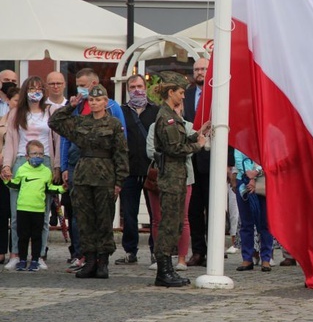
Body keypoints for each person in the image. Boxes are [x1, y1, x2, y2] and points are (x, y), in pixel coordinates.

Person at [48, 84, 129, 279]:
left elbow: (121, 154)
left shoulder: (114, 124)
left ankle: (103, 261)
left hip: (105, 176)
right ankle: (89, 260)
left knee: (103, 219)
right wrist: (71, 105)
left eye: (98, 100)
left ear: (106, 102)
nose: (94, 103)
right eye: (91, 100)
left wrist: (119, 181)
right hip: (83, 175)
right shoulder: (81, 122)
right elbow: (54, 122)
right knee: (84, 219)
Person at [152, 71, 208, 287]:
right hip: (171, 177)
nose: (184, 97)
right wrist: (198, 145)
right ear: (171, 92)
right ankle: (163, 271)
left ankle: (166, 269)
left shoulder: (172, 117)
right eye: (181, 93)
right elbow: (175, 148)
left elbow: (180, 138)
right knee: (169, 224)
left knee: (174, 224)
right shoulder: (166, 118)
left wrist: (197, 133)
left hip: (177, 176)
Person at [2, 76, 61, 271]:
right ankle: (16, 254)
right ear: (25, 90)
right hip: (21, 161)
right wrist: (7, 165)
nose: (35, 91)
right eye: (31, 88)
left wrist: (57, 167)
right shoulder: (16, 113)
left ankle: (39, 254)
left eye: (38, 88)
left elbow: (58, 141)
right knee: (17, 213)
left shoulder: (50, 111)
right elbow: (10, 140)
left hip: (44, 161)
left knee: (42, 213)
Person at [115, 74, 159, 266]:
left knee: (155, 214)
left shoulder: (156, 110)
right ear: (127, 90)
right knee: (130, 214)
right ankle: (130, 251)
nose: (137, 90)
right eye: (133, 87)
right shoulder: (120, 111)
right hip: (129, 169)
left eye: (140, 86)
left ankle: (155, 251)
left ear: (146, 87)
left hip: (151, 170)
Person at [5, 140, 64, 271]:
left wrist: (62, 189)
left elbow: (50, 188)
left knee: (37, 236)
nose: (37, 156)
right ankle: (22, 259)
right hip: (23, 208)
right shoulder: (21, 169)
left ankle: (36, 260)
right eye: (34, 153)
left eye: (40, 154)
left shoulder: (46, 172)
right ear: (27, 156)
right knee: (23, 236)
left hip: (38, 209)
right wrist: (6, 181)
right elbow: (15, 185)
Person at [184, 57, 211, 267]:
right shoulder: (187, 95)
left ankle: (213, 251)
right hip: (191, 159)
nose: (200, 72)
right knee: (193, 210)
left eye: (203, 68)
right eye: (197, 69)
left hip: (212, 159)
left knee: (213, 209)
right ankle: (198, 251)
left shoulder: (218, 94)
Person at [234, 149, 274, 272]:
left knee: (265, 222)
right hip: (243, 180)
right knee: (246, 222)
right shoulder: (241, 137)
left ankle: (266, 258)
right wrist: (248, 175)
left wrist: (255, 173)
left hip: (263, 180)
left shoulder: (262, 136)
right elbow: (238, 158)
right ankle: (247, 258)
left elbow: (268, 156)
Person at [0, 86, 19, 265]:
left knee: (17, 213)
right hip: (3, 170)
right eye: (15, 100)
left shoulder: (27, 121)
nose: (18, 104)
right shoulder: (2, 121)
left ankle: (16, 250)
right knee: (2, 212)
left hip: (19, 169)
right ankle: (1, 250)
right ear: (9, 102)